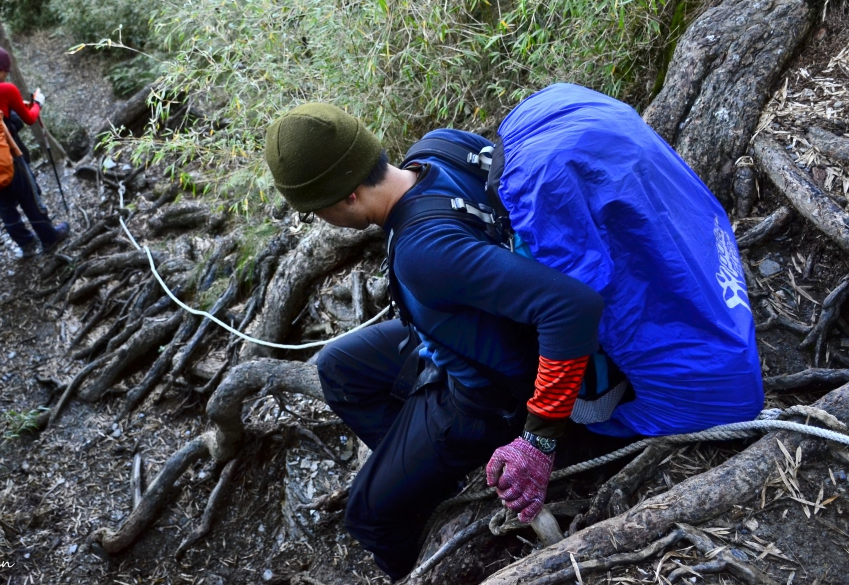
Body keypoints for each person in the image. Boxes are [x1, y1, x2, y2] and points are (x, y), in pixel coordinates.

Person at [263, 84, 762, 580]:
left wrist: (537, 442)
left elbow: (572, 308)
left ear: (347, 196)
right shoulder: (439, 149)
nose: (319, 220)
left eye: (315, 209)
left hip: (488, 397)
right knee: (337, 367)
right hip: (462, 335)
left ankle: (421, 547)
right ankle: (429, 477)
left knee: (367, 516)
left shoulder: (423, 252)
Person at [0, 47, 68, 256]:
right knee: (30, 196)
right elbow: (30, 119)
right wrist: (38, 103)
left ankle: (26, 245)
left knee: (5, 206)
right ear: (2, 70)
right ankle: (49, 238)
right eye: (7, 72)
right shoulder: (5, 88)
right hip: (9, 155)